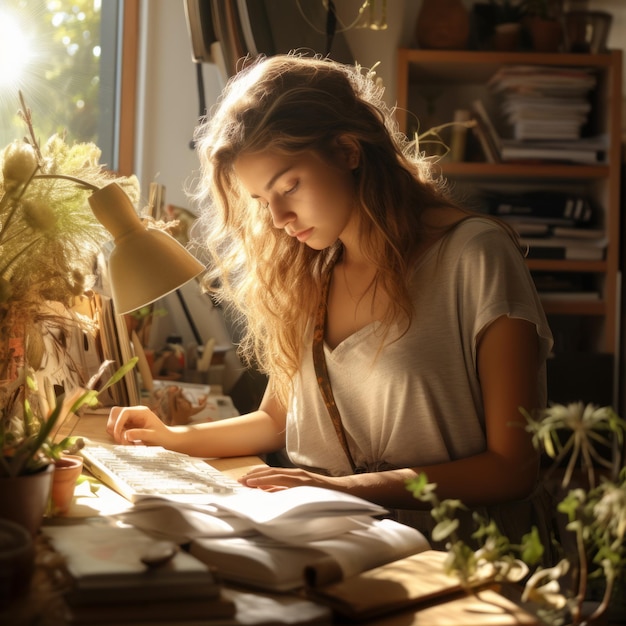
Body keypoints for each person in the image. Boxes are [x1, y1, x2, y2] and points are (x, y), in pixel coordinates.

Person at [108, 53, 554, 548]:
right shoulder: (310, 272)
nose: (278, 217)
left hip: (460, 557)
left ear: (347, 150)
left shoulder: (474, 255)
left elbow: (513, 468)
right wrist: (172, 439)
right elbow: (278, 419)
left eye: (289, 186)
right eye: (262, 200)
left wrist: (342, 490)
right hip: (343, 544)